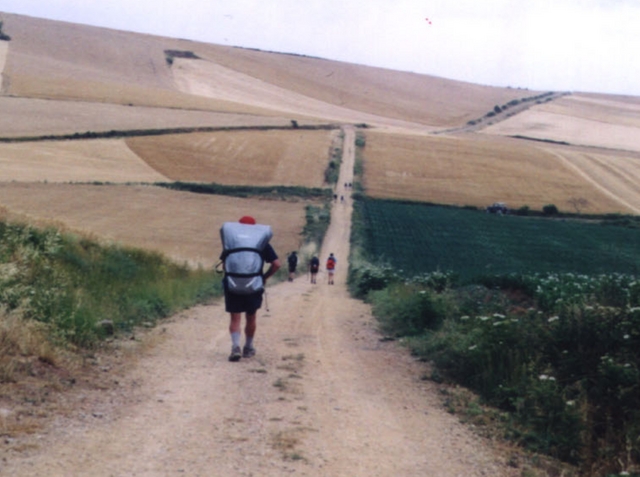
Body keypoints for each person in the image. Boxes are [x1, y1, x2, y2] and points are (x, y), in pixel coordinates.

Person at [220, 215, 281, 362]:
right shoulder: (261, 243)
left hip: (233, 283)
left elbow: (224, 265)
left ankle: (235, 347)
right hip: (254, 284)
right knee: (251, 316)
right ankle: (248, 348)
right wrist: (264, 277)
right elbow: (277, 264)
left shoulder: (231, 242)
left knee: (235, 317)